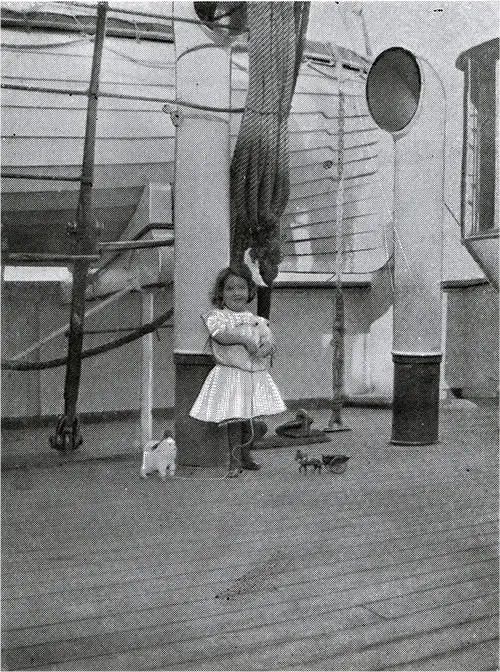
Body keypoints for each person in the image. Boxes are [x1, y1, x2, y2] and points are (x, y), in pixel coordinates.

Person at [190, 263, 286, 472]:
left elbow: (269, 341)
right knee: (234, 420)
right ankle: (234, 462)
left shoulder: (256, 321)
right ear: (221, 293)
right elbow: (220, 336)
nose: (236, 293)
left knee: (254, 423)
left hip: (254, 377)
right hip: (231, 375)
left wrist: (266, 348)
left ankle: (245, 454)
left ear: (250, 291)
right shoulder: (218, 317)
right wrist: (243, 340)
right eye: (230, 289)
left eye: (241, 288)